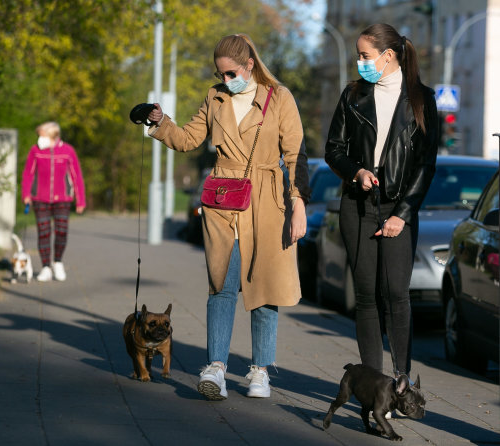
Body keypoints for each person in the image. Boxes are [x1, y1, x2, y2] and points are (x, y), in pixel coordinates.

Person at [147, 34, 310, 400]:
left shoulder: (279, 97)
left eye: (231, 73)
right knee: (221, 285)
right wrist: (160, 122)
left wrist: (299, 203)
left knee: (265, 289)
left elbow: (296, 154)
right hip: (223, 199)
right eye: (220, 74)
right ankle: (216, 368)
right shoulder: (215, 97)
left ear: (250, 64)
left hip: (268, 200)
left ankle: (260, 371)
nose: (225, 80)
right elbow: (190, 138)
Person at [325, 24, 438, 382]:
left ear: (387, 56)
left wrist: (403, 213)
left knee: (396, 295)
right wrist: (356, 171)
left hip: (397, 209)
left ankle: (401, 378)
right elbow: (333, 149)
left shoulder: (421, 98)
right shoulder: (353, 95)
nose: (359, 62)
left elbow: (426, 163)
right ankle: (374, 383)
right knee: (366, 297)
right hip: (358, 205)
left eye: (364, 55)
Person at [22, 121, 86, 282]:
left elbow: (76, 175)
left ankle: (57, 262)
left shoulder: (68, 151)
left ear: (53, 135)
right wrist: (26, 194)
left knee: (61, 232)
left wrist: (80, 200)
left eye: (42, 135)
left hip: (62, 198)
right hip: (40, 198)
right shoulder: (35, 150)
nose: (39, 138)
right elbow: (28, 174)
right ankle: (45, 267)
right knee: (43, 233)